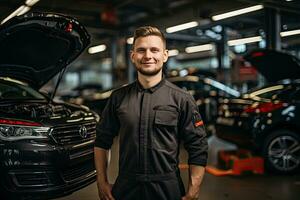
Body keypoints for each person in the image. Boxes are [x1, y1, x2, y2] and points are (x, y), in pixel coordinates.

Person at [94, 26, 208, 200]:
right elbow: (102, 141)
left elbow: (198, 146)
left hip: (167, 187)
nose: (148, 56)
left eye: (154, 50)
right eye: (141, 50)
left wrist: (194, 188)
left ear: (165, 55)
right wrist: (101, 182)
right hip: (126, 187)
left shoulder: (182, 99)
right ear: (133, 56)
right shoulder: (118, 98)